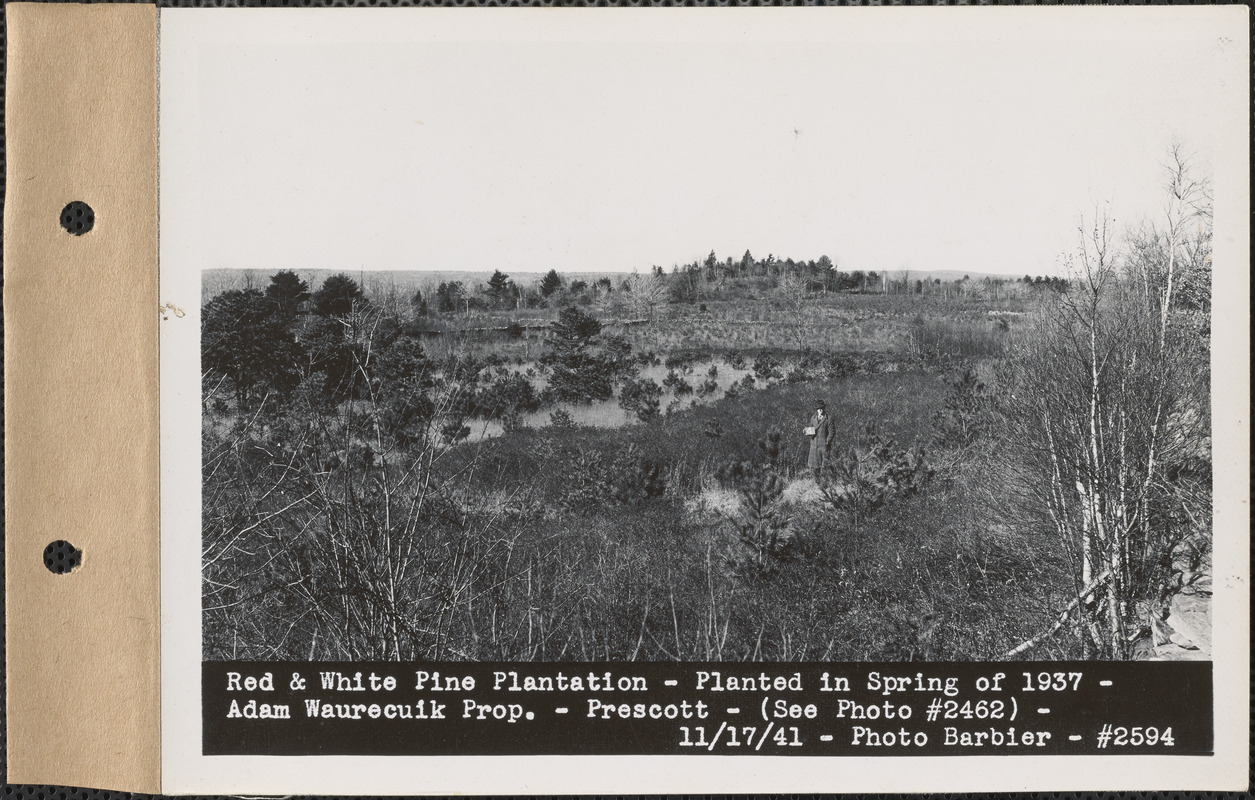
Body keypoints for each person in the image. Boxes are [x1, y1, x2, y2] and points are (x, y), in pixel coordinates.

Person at [806, 400, 836, 481]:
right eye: (819, 409)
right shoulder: (813, 418)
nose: (820, 410)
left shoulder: (829, 418)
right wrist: (806, 431)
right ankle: (816, 481)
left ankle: (826, 481)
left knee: (824, 465)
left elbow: (832, 432)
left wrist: (827, 441)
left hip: (824, 445)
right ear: (816, 409)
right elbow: (810, 429)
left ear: (824, 408)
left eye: (822, 408)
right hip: (814, 445)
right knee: (814, 465)